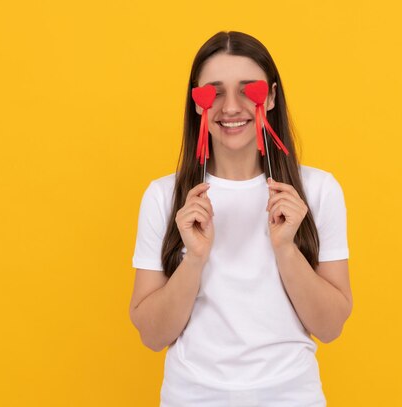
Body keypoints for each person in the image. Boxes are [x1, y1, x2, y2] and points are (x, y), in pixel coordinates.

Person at [129, 31, 352, 407]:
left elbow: (330, 328)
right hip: (191, 398)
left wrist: (285, 249)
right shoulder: (164, 198)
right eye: (212, 93)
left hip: (292, 397)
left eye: (250, 90)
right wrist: (194, 259)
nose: (230, 107)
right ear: (196, 103)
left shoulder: (319, 191)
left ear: (274, 96)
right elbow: (152, 336)